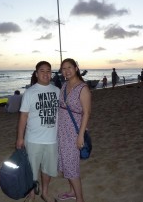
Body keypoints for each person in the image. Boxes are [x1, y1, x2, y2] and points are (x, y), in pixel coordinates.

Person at [16, 61, 60, 202]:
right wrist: (20, 138)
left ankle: (45, 192)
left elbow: (63, 113)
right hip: (33, 139)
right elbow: (23, 116)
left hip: (52, 139)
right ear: (36, 74)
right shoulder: (30, 92)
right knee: (32, 171)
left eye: (48, 71)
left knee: (48, 170)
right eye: (42, 71)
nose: (46, 74)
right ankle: (31, 194)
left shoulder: (57, 91)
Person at [57, 58, 91, 202]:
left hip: (74, 132)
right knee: (65, 162)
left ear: (76, 68)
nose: (66, 71)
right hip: (61, 130)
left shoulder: (83, 88)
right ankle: (72, 191)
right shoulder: (64, 86)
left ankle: (80, 199)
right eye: (63, 68)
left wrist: (81, 135)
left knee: (71, 166)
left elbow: (87, 113)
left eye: (69, 67)